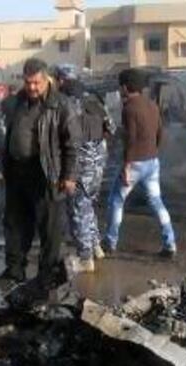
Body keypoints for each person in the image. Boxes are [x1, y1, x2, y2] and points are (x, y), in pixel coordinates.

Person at [0, 58, 80, 288]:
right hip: (17, 171)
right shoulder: (17, 102)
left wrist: (70, 176)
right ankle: (15, 270)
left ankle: (47, 275)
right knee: (14, 224)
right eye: (28, 82)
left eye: (36, 83)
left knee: (50, 228)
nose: (32, 87)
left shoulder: (61, 105)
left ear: (46, 80)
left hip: (47, 172)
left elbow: (72, 144)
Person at [104, 68, 176, 258]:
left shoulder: (129, 108)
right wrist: (154, 152)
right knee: (157, 202)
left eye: (121, 86)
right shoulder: (152, 105)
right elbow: (160, 133)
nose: (120, 90)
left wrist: (126, 166)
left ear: (126, 87)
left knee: (115, 201)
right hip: (152, 162)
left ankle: (110, 243)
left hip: (134, 163)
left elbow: (131, 139)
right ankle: (170, 243)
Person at [57, 72, 114, 273]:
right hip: (98, 166)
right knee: (88, 206)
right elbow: (111, 130)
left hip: (79, 168)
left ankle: (85, 257)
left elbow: (64, 141)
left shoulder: (70, 110)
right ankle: (96, 246)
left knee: (78, 211)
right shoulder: (97, 105)